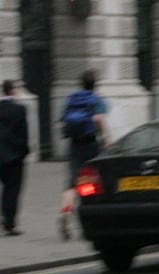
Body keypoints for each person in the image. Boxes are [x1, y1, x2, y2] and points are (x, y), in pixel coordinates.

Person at [59, 69, 108, 240]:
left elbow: (63, 120)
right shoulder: (97, 100)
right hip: (90, 144)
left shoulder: (72, 99)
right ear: (95, 84)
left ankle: (66, 212)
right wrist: (106, 138)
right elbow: (99, 120)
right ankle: (89, 221)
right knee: (90, 181)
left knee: (71, 183)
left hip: (74, 145)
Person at [0, 79, 30, 236]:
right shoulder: (19, 109)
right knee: (12, 190)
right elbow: (24, 134)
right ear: (13, 91)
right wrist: (24, 152)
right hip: (14, 157)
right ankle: (10, 224)